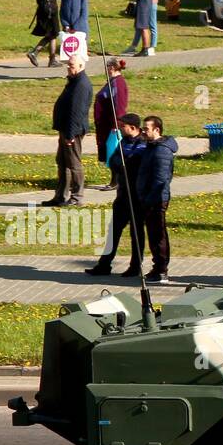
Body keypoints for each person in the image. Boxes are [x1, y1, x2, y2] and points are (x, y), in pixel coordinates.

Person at [87, 113, 147, 277]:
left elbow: (141, 167)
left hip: (137, 196)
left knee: (136, 232)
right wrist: (124, 164)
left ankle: (136, 266)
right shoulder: (124, 142)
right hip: (122, 195)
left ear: (133, 127)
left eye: (123, 126)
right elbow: (113, 160)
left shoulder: (144, 144)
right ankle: (104, 264)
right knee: (113, 230)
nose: (121, 128)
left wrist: (128, 164)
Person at [46, 55, 93, 207]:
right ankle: (60, 196)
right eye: (68, 65)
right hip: (66, 129)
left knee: (74, 164)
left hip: (72, 131)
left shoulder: (81, 84)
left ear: (81, 66)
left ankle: (77, 197)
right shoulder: (74, 81)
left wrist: (70, 134)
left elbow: (76, 111)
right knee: (62, 162)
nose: (68, 67)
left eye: (72, 65)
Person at [137, 115, 177, 281]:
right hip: (149, 198)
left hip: (156, 199)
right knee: (153, 235)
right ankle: (157, 267)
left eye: (146, 129)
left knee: (158, 235)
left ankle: (161, 269)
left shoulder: (162, 151)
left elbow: (160, 180)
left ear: (157, 130)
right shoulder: (151, 146)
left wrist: (149, 199)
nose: (143, 131)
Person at [93, 58, 129, 190]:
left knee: (114, 152)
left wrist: (117, 124)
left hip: (113, 125)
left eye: (107, 67)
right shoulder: (112, 82)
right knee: (110, 151)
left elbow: (119, 105)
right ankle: (115, 179)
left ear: (112, 68)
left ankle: (116, 181)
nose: (106, 69)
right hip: (105, 124)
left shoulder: (118, 83)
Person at [27, 0, 63, 66]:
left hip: (44, 12)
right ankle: (35, 52)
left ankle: (51, 59)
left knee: (52, 35)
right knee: (52, 34)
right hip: (50, 13)